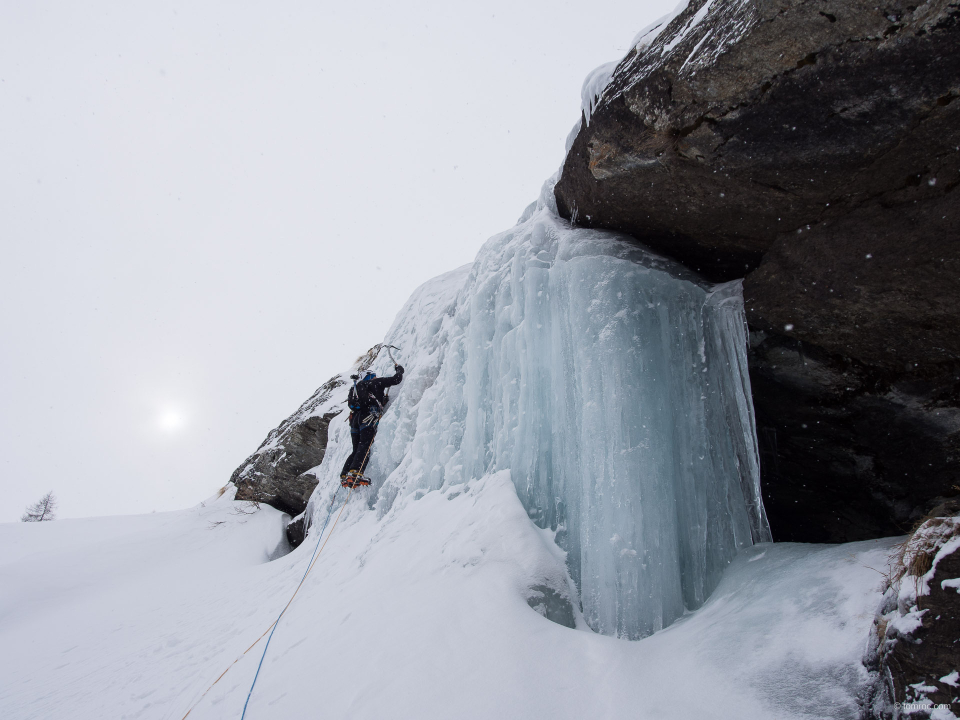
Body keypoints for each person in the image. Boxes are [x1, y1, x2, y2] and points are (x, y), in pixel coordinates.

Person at [340, 363, 404, 487]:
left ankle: (345, 474)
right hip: (367, 417)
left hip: (355, 421)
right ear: (369, 377)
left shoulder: (358, 389)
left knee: (356, 448)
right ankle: (355, 473)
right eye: (373, 376)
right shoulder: (375, 383)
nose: (375, 377)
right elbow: (396, 380)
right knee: (365, 445)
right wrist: (399, 370)